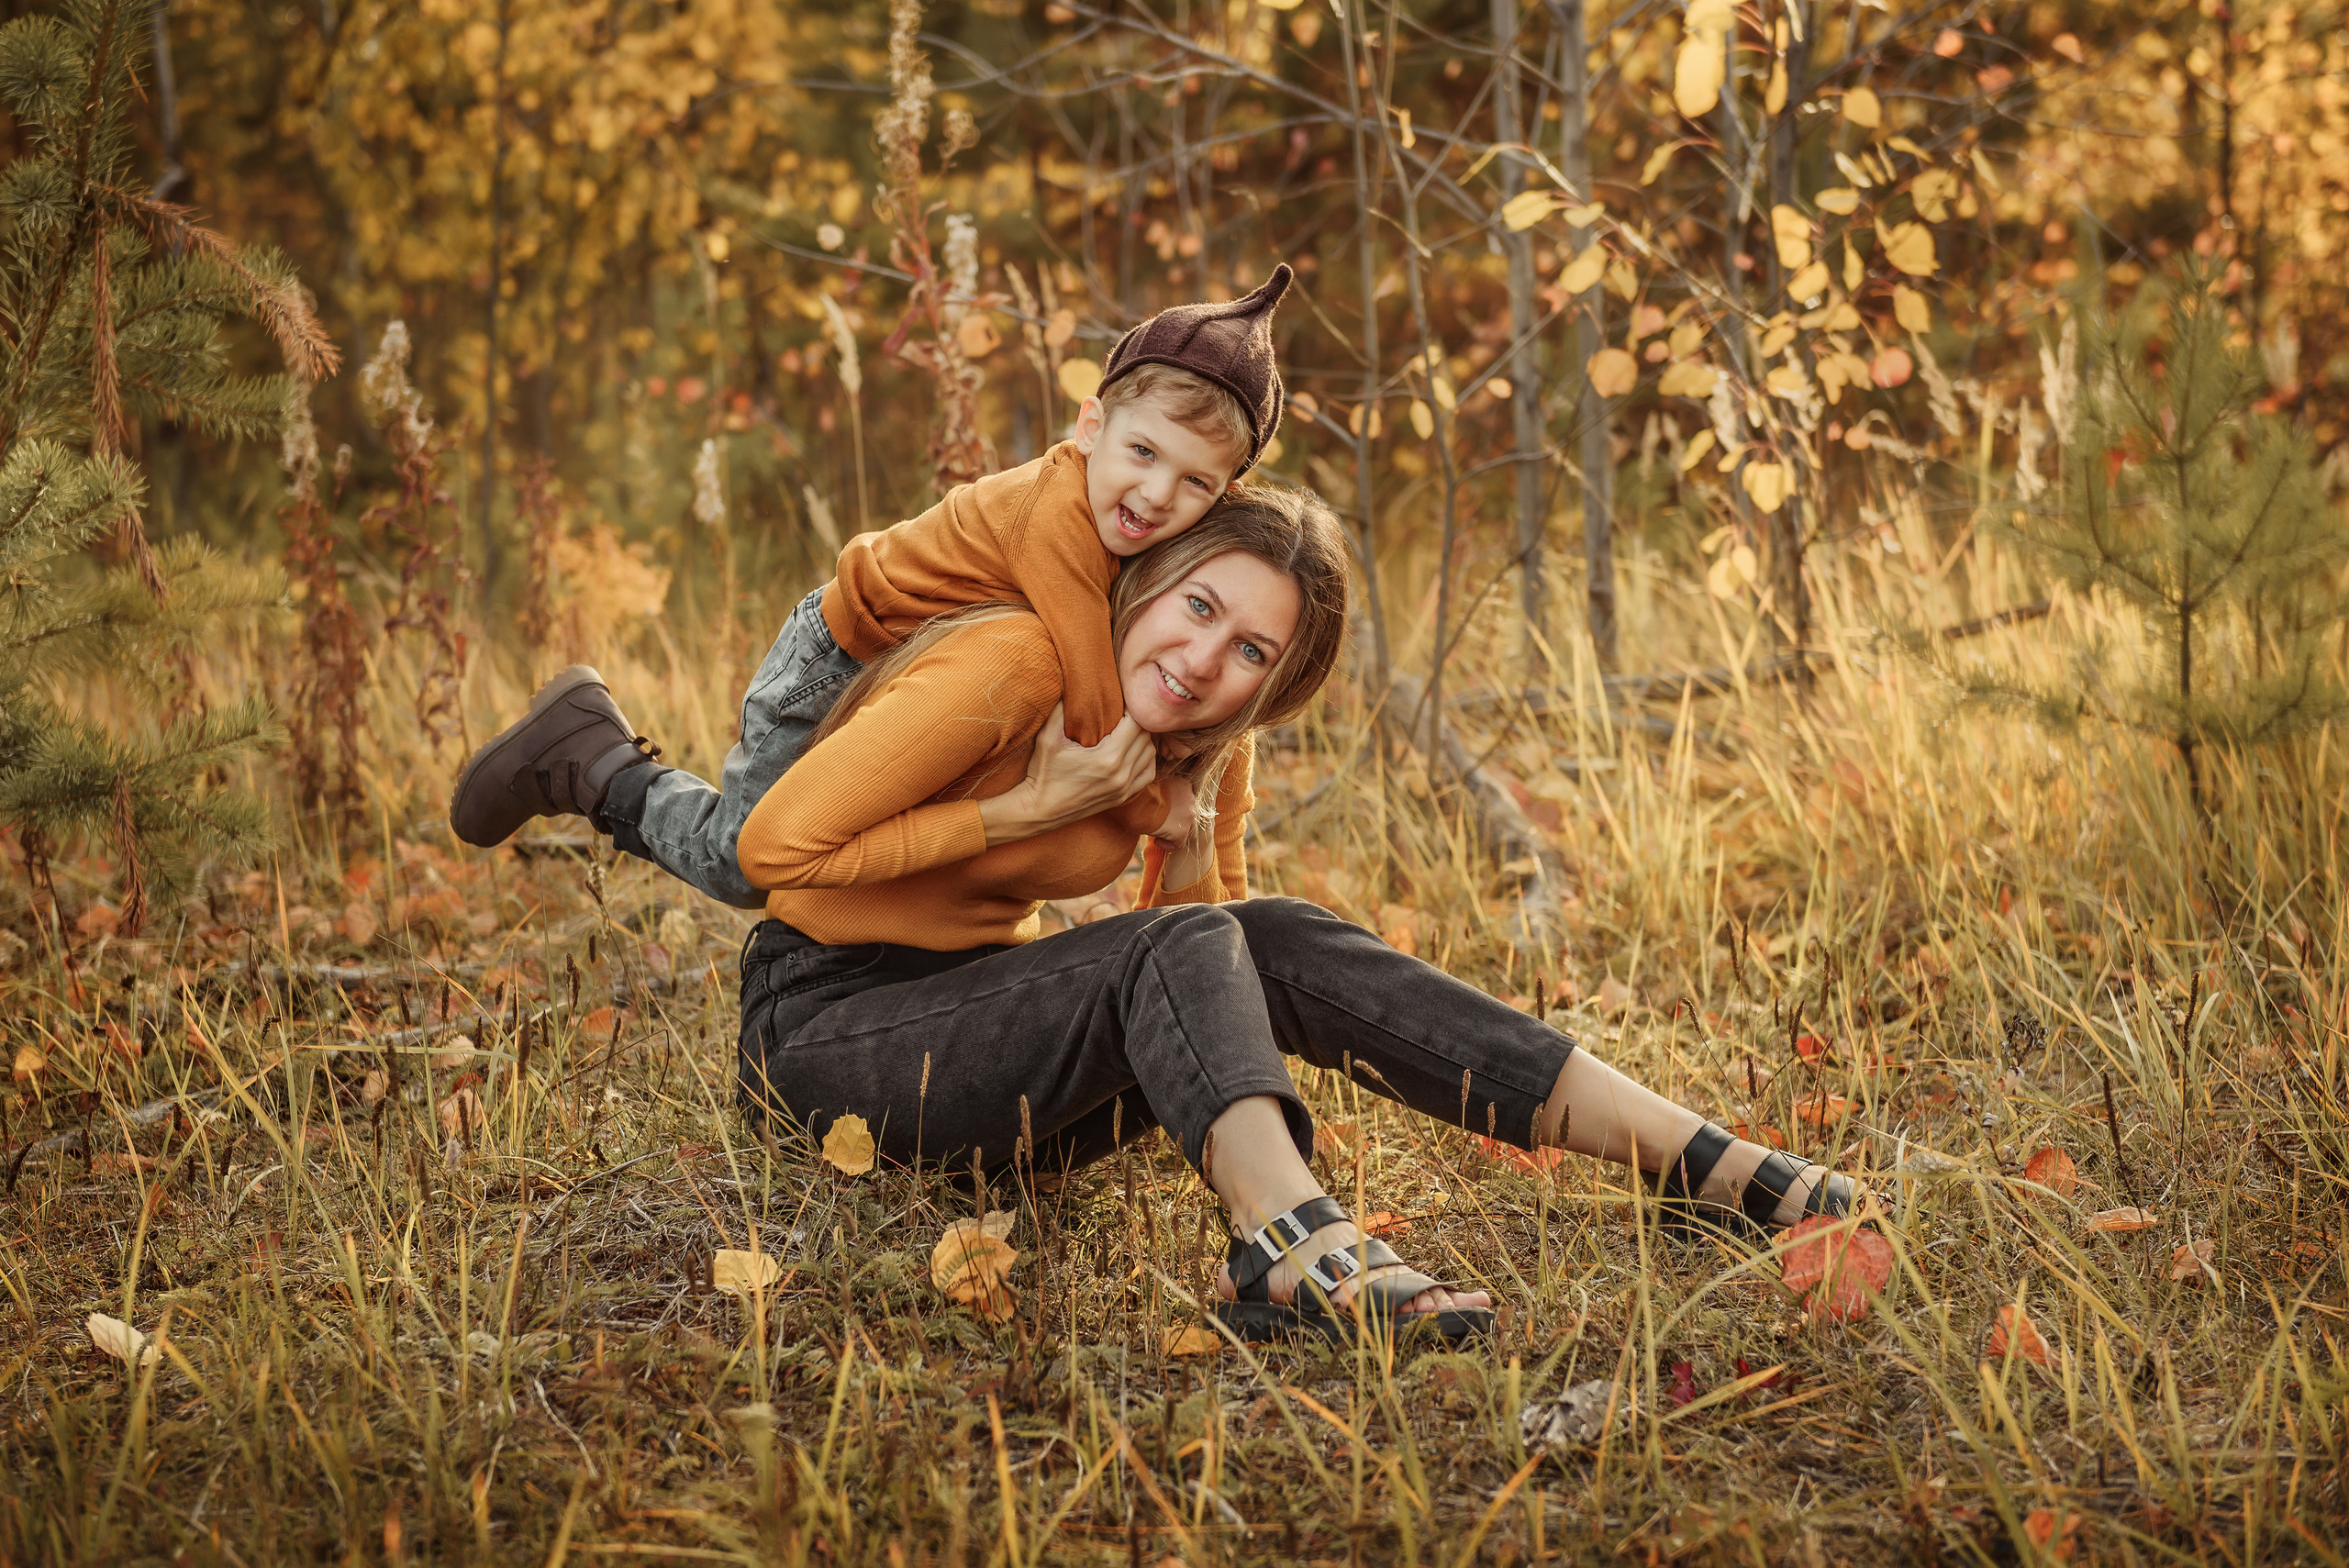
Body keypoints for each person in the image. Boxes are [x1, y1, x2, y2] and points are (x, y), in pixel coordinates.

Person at [730, 489, 1859, 1347]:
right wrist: (1032, 806)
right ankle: (1287, 1245)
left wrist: (1176, 831)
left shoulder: (1203, 740)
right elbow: (775, 854)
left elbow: (1199, 968)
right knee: (1194, 941)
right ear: (1148, 581)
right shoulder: (1015, 659)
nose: (1202, 662)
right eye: (1200, 607)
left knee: (1260, 929)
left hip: (987, 1053)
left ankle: (1690, 1157)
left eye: (1250, 654)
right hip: (826, 1037)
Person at [445, 268, 1297, 905]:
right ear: (1091, 425)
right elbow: (1092, 709)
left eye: (1194, 484)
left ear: (1226, 498)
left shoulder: (1148, 548)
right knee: (745, 863)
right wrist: (1160, 807)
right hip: (837, 656)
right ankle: (592, 761)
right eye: (1143, 453)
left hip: (906, 669)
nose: (1154, 494)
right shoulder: (1055, 511)